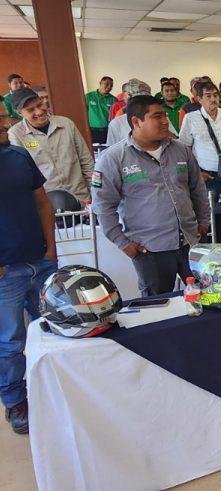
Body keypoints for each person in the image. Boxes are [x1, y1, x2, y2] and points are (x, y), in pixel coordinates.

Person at [92, 95, 210, 297]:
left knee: (206, 297)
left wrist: (204, 222)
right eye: (157, 116)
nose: (165, 121)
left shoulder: (181, 150)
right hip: (149, 250)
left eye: (165, 115)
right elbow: (103, 206)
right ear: (136, 121)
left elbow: (197, 189)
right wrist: (123, 243)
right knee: (157, 306)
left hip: (191, 242)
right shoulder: (113, 158)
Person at [0, 100, 57, 435]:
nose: (5, 123)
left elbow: (43, 203)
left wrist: (51, 249)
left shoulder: (19, 156)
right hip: (6, 271)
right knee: (10, 341)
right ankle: (15, 401)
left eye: (4, 117)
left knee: (48, 329)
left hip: (40, 261)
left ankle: (49, 387)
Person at [8, 88, 93, 205]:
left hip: (82, 199)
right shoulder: (15, 135)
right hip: (50, 204)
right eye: (31, 110)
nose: (39, 112)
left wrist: (95, 193)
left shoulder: (66, 124)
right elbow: (23, 176)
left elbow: (86, 161)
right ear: (19, 113)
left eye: (39, 105)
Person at [179, 81, 221, 202]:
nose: (213, 99)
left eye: (215, 95)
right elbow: (185, 149)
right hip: (208, 176)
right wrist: (197, 173)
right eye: (208, 96)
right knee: (209, 210)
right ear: (199, 99)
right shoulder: (191, 118)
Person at [85, 76, 116, 144]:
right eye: (106, 84)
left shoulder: (113, 99)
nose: (109, 87)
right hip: (92, 130)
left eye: (111, 86)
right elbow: (84, 113)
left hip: (108, 130)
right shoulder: (89, 96)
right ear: (100, 83)